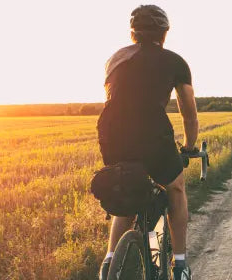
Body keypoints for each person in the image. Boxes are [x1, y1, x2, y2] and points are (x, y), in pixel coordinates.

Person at [96, 4, 197, 280]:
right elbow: (189, 114)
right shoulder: (175, 62)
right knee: (175, 188)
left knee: (126, 186)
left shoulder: (115, 59)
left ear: (133, 33)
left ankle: (108, 264)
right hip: (152, 132)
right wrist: (189, 147)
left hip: (111, 133)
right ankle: (180, 265)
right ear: (164, 33)